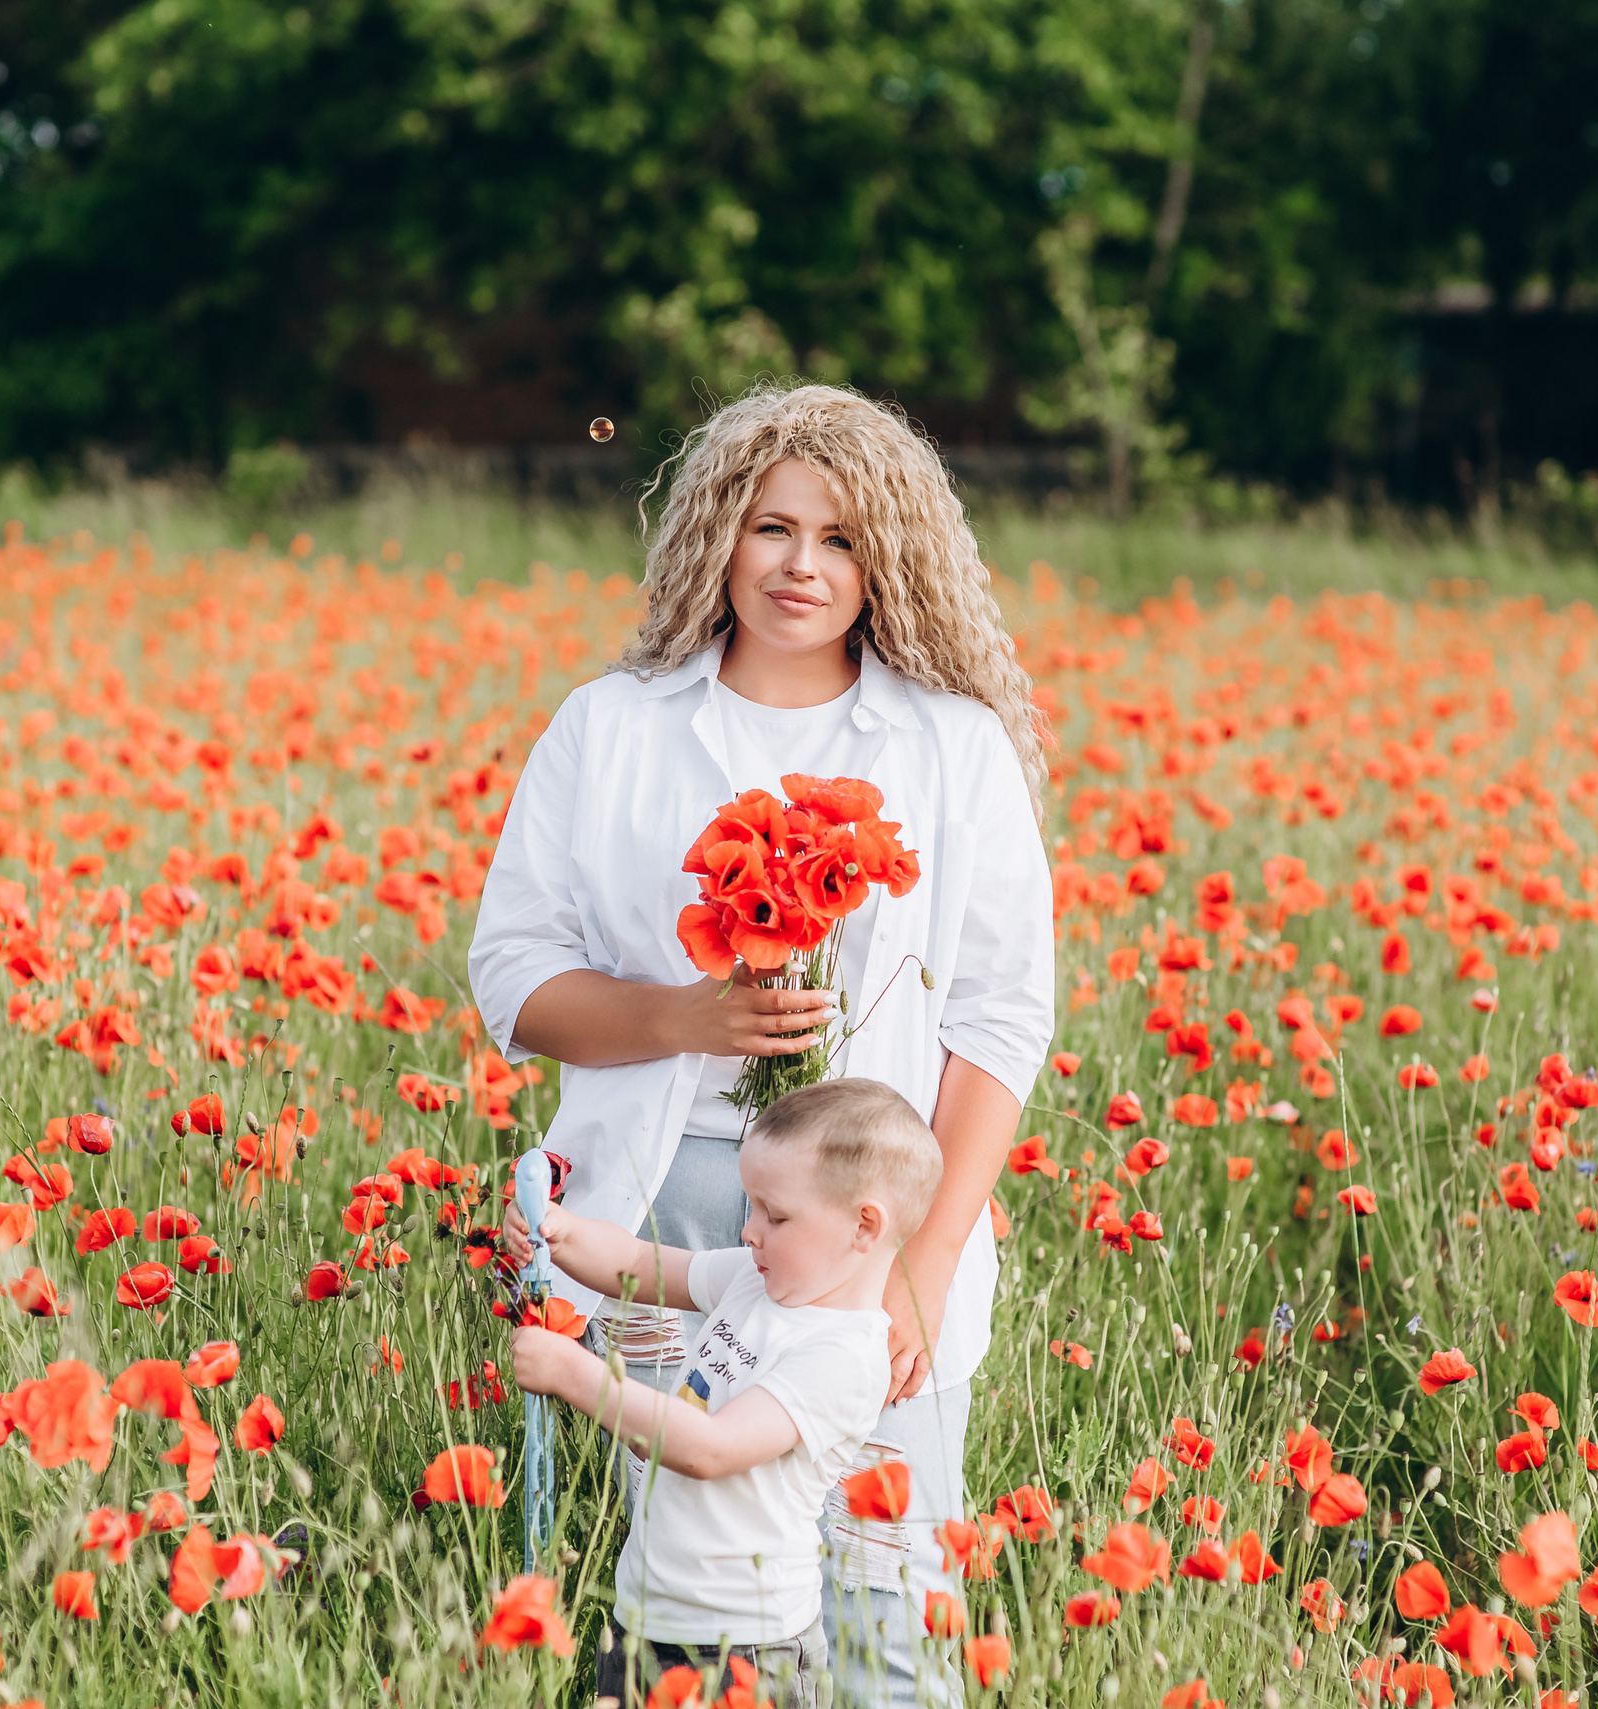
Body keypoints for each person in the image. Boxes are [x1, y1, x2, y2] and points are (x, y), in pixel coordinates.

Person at [469, 381, 1055, 1706]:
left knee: (882, 1599)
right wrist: (681, 1018)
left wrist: (926, 1259)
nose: (801, 566)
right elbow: (511, 978)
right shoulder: (608, 729)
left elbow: (1001, 1022)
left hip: (873, 1234)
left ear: (887, 561)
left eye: (841, 538)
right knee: (690, 1599)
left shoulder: (952, 750)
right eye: (771, 526)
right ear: (716, 535)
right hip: (658, 1206)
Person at [508, 1078, 943, 1709]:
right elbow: (640, 1265)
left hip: (746, 1649)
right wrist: (561, 1230)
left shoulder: (843, 1357)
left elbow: (709, 1449)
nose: (750, 1230)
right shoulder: (754, 1281)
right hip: (646, 1616)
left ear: (864, 1226)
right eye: (752, 1206)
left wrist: (576, 1376)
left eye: (776, 1214)